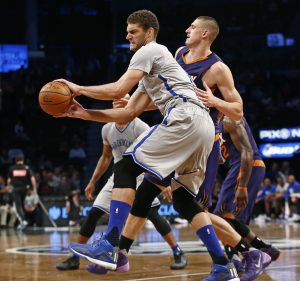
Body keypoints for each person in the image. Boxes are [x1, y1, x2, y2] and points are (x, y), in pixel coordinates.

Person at [56, 9, 239, 281]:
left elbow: (118, 90)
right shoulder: (153, 69)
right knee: (184, 200)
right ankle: (223, 266)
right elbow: (127, 112)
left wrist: (78, 88)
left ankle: (110, 245)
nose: (127, 35)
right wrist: (83, 113)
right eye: (127, 31)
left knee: (127, 166)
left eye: (133, 31)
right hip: (202, 126)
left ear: (149, 32)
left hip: (185, 117)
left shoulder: (150, 50)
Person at [56, 97, 187, 271]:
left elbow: (153, 156)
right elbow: (105, 157)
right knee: (94, 213)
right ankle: (74, 258)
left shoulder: (140, 126)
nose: (118, 105)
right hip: (118, 176)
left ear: (131, 105)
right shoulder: (107, 129)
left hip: (141, 174)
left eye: (123, 103)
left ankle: (177, 251)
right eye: (115, 104)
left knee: (153, 214)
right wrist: (92, 181)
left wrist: (162, 181)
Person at [214, 116, 280, 264]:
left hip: (246, 166)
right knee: (229, 217)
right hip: (241, 167)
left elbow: (247, 151)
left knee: (220, 217)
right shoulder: (215, 125)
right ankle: (264, 248)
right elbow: (222, 157)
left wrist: (242, 185)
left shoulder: (228, 119)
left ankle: (237, 259)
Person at [6, 154, 37, 230]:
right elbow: (32, 178)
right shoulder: (27, 168)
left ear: (16, 160)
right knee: (25, 206)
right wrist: (34, 189)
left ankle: (23, 220)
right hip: (26, 190)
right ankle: (25, 221)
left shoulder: (12, 168)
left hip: (16, 190)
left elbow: (9, 180)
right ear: (23, 160)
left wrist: (9, 188)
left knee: (18, 206)